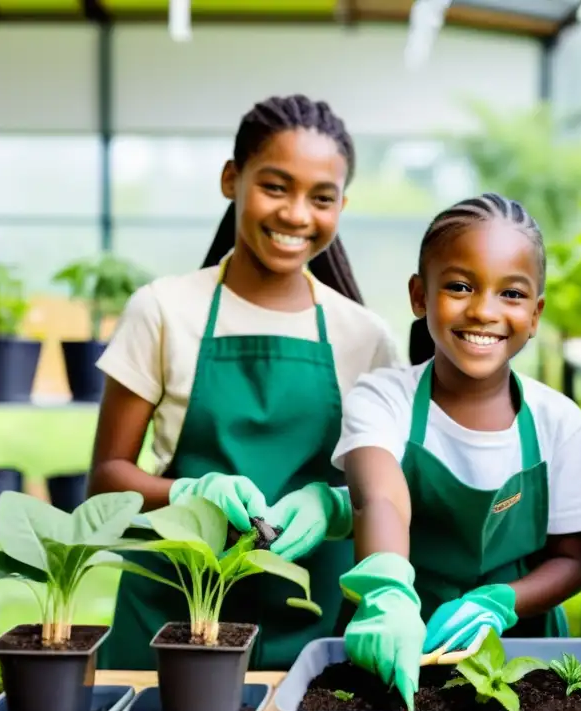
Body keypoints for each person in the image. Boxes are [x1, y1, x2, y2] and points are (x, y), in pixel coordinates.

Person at [88, 94, 401, 671]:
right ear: (232, 179)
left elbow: (392, 494)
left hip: (311, 629)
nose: (296, 214)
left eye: (321, 197)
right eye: (275, 187)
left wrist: (330, 505)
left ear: (342, 205)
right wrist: (188, 493)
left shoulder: (365, 335)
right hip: (169, 625)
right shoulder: (163, 310)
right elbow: (106, 484)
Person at [329, 193, 581, 710]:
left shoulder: (561, 424)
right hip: (398, 643)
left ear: (535, 314)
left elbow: (573, 560)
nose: (483, 310)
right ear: (420, 296)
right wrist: (389, 595)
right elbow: (380, 500)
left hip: (520, 655)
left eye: (511, 293)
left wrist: (501, 602)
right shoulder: (384, 398)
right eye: (460, 287)